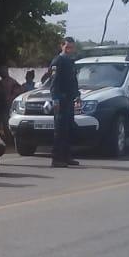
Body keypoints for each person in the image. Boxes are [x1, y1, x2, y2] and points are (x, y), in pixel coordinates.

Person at [48, 36, 81, 168]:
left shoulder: (70, 61)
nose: (69, 50)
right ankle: (56, 159)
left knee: (68, 128)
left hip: (69, 99)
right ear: (61, 46)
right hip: (60, 99)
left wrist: (77, 95)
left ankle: (67, 156)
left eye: (71, 47)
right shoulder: (58, 61)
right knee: (60, 130)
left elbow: (73, 81)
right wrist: (55, 99)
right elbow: (54, 82)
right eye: (67, 47)